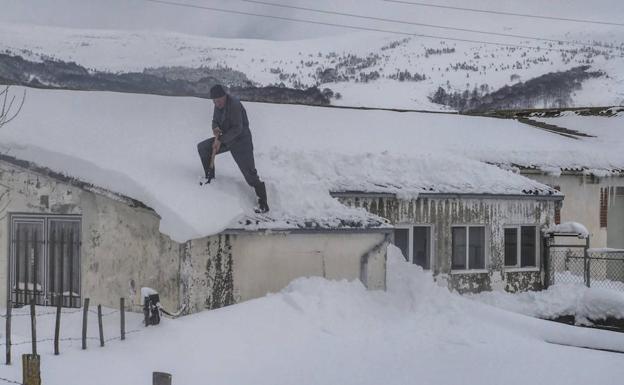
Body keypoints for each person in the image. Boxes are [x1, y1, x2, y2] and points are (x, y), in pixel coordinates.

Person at [197, 85, 269, 213]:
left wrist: (220, 140)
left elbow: (237, 129)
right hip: (225, 137)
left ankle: (263, 203)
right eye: (214, 101)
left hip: (241, 142)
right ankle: (210, 179)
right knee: (203, 148)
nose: (216, 103)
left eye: (218, 100)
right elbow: (215, 120)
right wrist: (215, 128)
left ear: (225, 96)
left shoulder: (234, 104)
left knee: (250, 173)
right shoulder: (218, 104)